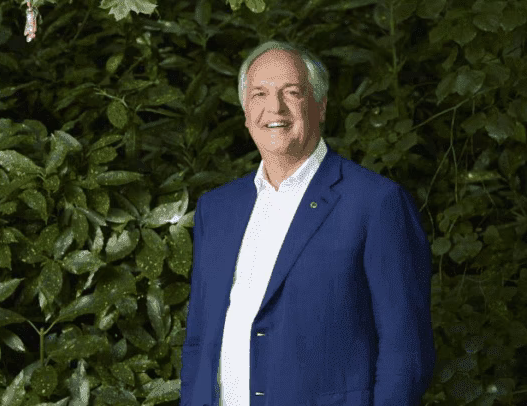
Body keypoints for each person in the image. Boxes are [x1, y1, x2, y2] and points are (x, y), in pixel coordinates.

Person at [179, 40, 435, 406]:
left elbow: (405, 351)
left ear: (321, 106)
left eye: (292, 92)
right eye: (259, 94)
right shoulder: (217, 209)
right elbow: (200, 340)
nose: (275, 108)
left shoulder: (376, 203)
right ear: (246, 111)